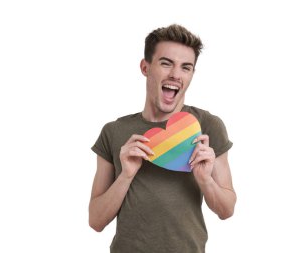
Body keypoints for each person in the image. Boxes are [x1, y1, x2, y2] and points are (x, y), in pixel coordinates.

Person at [89, 24, 237, 253]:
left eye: (186, 67)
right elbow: (95, 221)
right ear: (145, 67)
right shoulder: (114, 131)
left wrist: (205, 180)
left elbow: (226, 210)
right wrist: (126, 176)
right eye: (166, 63)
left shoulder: (207, 127)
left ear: (191, 75)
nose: (176, 75)